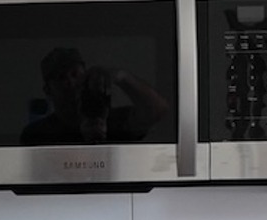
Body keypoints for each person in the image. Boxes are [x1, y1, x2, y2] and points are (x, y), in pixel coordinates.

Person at [19, 45, 169, 145]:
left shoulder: (115, 121)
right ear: (48, 90)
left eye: (75, 74)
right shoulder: (37, 135)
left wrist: (121, 76)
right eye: (60, 78)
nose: (70, 83)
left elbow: (158, 110)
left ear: (86, 75)